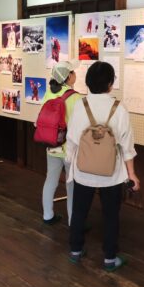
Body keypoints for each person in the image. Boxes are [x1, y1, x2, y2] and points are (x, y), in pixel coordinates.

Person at [65, 61, 139, 272]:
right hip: (111, 173)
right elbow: (127, 146)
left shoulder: (81, 105)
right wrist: (132, 174)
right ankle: (109, 258)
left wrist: (70, 163)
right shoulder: (119, 108)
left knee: (79, 211)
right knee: (111, 215)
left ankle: (75, 250)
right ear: (110, 84)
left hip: (83, 170)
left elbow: (72, 140)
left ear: (88, 82)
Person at [41, 60, 82, 225]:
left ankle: (47, 215)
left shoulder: (48, 93)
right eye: (73, 72)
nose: (75, 74)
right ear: (69, 76)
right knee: (71, 185)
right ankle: (73, 221)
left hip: (52, 144)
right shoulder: (75, 97)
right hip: (70, 148)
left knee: (50, 179)